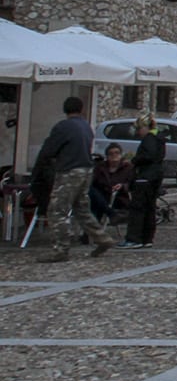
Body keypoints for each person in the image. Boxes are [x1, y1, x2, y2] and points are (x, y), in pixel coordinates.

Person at [32, 96, 113, 262]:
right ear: (81, 109)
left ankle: (60, 249)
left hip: (69, 172)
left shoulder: (63, 127)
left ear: (65, 109)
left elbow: (49, 150)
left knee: (57, 211)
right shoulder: (86, 126)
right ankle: (102, 237)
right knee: (82, 208)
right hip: (86, 170)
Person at [120, 115, 167, 249]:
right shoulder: (159, 138)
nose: (138, 132)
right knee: (149, 208)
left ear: (146, 127)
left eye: (139, 129)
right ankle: (147, 238)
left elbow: (148, 156)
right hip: (155, 176)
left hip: (145, 176)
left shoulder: (149, 139)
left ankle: (134, 238)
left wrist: (134, 160)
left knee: (138, 208)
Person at [89, 144, 134, 223]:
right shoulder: (101, 167)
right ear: (107, 156)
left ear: (121, 154)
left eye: (117, 153)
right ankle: (111, 213)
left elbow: (132, 183)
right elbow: (93, 181)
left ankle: (90, 233)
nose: (114, 155)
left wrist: (122, 186)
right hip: (101, 195)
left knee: (96, 205)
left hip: (118, 198)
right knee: (92, 193)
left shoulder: (128, 168)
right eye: (111, 153)